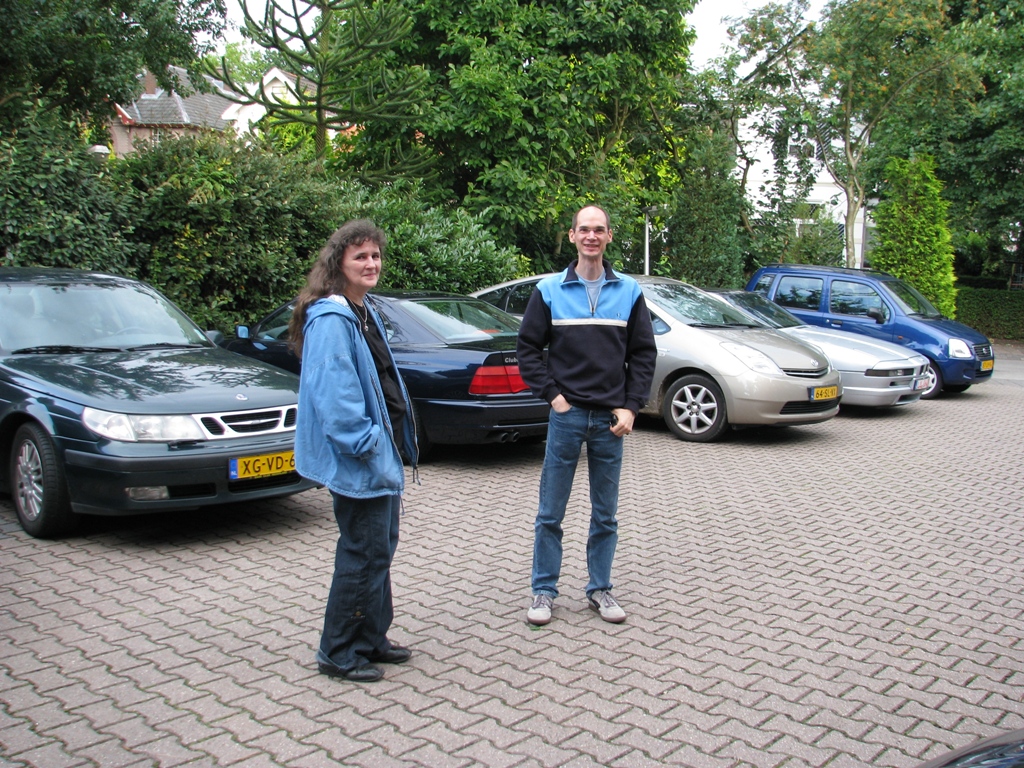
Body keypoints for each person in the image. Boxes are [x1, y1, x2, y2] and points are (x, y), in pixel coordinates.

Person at [289, 219, 418, 682]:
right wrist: (365, 445)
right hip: (360, 457)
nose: (371, 263)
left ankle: (371, 637)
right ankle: (338, 650)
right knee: (362, 551)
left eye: (375, 255)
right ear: (338, 263)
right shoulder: (331, 319)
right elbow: (336, 396)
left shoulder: (362, 311)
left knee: (380, 548)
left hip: (380, 454)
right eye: (360, 256)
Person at [517, 205, 657, 627]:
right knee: (550, 512)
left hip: (611, 421)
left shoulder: (629, 291)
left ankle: (599, 589)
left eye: (599, 230)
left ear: (609, 236)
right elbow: (527, 350)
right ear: (572, 235)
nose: (591, 236)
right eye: (584, 230)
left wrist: (632, 406)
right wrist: (554, 398)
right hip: (568, 416)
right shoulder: (548, 290)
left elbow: (643, 354)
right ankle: (544, 591)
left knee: (606, 514)